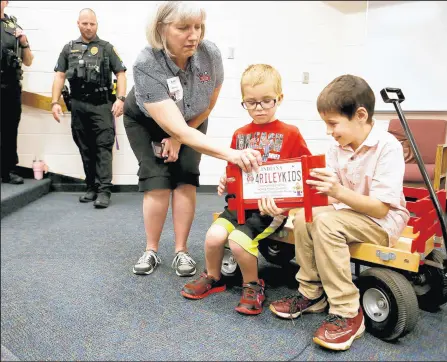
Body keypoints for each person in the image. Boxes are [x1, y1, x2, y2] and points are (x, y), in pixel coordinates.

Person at [268, 75, 410, 351]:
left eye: (333, 123)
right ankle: (312, 293)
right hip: (346, 213)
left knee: (326, 224)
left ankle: (347, 311)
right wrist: (291, 197)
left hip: (381, 221)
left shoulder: (388, 147)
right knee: (304, 215)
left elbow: (380, 207)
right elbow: (326, 195)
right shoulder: (337, 148)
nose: (329, 131)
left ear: (360, 115)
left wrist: (337, 192)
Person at [123, 1, 262, 278]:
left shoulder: (210, 54)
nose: (194, 35)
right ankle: (151, 249)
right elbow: (170, 124)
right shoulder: (146, 63)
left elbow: (207, 106)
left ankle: (181, 250)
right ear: (161, 29)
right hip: (147, 120)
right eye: (183, 28)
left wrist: (179, 137)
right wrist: (231, 154)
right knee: (157, 178)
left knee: (186, 175)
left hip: (191, 120)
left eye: (198, 27)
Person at [181, 64, 312, 315]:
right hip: (237, 205)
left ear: (279, 99)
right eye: (251, 103)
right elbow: (232, 170)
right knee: (213, 237)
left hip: (268, 210)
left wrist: (289, 206)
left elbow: (303, 172)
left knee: (239, 241)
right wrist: (224, 180)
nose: (259, 108)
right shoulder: (240, 134)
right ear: (243, 102)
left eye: (266, 101)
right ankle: (213, 276)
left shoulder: (291, 134)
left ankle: (253, 285)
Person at [51, 8, 127, 208]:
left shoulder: (106, 48)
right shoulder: (69, 48)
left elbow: (121, 73)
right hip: (78, 105)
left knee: (103, 147)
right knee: (85, 147)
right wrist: (54, 102)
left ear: (97, 24)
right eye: (85, 23)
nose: (89, 27)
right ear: (78, 23)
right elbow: (59, 75)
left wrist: (120, 98)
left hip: (102, 105)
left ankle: (104, 191)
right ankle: (91, 187)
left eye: (92, 23)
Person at [1, 0, 34, 184]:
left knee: (9, 129)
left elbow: (28, 61)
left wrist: (24, 43)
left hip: (10, 86)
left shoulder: (14, 27)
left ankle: (8, 170)